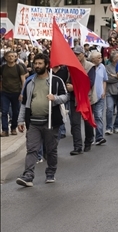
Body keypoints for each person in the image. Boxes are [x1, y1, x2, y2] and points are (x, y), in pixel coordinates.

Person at [16, 55, 68, 187]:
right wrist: (20, 120)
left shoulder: (55, 81)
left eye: (40, 63)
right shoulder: (29, 82)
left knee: (51, 149)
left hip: (50, 121)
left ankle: (50, 173)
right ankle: (28, 175)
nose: (37, 66)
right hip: (33, 122)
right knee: (32, 149)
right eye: (35, 63)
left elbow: (65, 96)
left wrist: (55, 98)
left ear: (46, 65)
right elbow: (25, 103)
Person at [1, 50, 27, 136]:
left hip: (16, 92)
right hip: (4, 93)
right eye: (9, 56)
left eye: (12, 56)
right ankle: (5, 130)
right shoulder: (3, 68)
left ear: (15, 57)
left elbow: (23, 81)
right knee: (4, 111)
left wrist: (22, 93)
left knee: (15, 112)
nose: (11, 57)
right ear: (5, 58)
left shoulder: (19, 67)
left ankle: (13, 128)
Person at [87, 51, 107, 146]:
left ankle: (99, 137)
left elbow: (104, 80)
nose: (100, 58)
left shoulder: (102, 67)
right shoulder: (88, 67)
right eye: (98, 57)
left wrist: (104, 91)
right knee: (90, 118)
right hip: (90, 97)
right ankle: (90, 137)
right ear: (92, 59)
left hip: (100, 96)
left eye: (100, 57)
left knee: (98, 116)